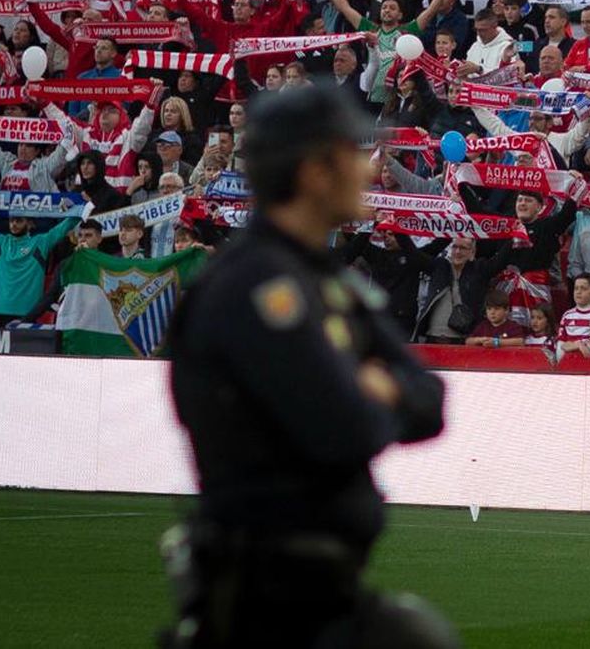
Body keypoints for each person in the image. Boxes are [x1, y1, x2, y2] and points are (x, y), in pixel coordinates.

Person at [164, 87, 454, 648]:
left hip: (325, 593)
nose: (368, 169)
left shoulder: (325, 279)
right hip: (266, 605)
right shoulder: (256, 287)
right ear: (315, 171)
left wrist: (367, 386)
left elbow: (429, 401)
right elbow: (346, 427)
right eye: (352, 151)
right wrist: (368, 387)